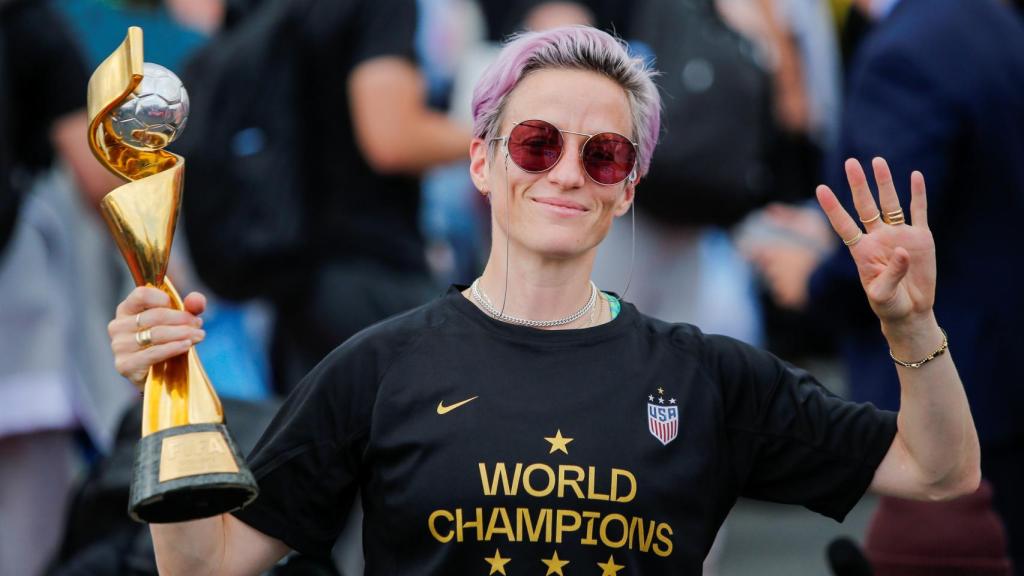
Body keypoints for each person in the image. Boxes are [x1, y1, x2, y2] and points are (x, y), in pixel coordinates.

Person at [107, 26, 979, 574]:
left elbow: (941, 472)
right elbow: (207, 566)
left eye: (603, 155)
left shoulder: (704, 374)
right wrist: (166, 395)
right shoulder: (378, 367)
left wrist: (912, 327)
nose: (567, 170)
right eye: (535, 142)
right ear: (483, 163)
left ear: (627, 188)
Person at [746, 0, 1024, 569]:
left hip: (956, 382)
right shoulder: (993, 21)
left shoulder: (905, 52)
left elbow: (892, 240)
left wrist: (810, 281)